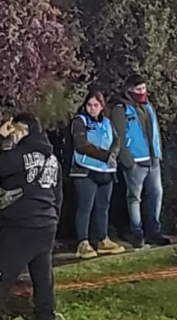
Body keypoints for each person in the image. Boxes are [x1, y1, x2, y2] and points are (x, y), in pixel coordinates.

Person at [0, 112, 61, 320]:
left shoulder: (21, 155)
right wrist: (52, 217)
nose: (11, 135)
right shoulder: (52, 158)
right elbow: (58, 194)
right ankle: (45, 315)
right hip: (47, 223)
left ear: (22, 131)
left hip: (19, 225)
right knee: (42, 277)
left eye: (14, 130)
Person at [110, 74, 170, 247]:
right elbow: (119, 137)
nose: (142, 92)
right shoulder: (121, 109)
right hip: (136, 161)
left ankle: (153, 231)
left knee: (156, 194)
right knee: (134, 198)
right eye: (138, 89)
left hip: (153, 159)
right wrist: (128, 161)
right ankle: (137, 233)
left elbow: (155, 131)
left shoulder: (148, 106)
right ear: (129, 89)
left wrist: (158, 153)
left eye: (144, 88)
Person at [69, 90, 126, 259]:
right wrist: (105, 156)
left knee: (103, 207)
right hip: (85, 170)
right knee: (85, 207)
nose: (92, 108)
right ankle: (83, 242)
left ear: (102, 106)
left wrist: (113, 154)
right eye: (89, 105)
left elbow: (116, 140)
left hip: (106, 171)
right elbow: (81, 145)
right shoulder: (80, 121)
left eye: (96, 105)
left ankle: (102, 239)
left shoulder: (107, 122)